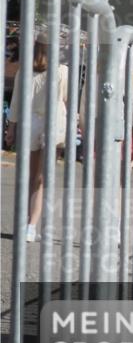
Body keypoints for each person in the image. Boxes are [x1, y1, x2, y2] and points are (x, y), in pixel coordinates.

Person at [5, 37, 69, 243]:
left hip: (29, 121)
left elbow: (15, 102)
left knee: (30, 176)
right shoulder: (62, 71)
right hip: (52, 122)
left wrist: (11, 128)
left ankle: (25, 223)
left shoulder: (24, 71)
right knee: (40, 179)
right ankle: (31, 226)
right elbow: (67, 99)